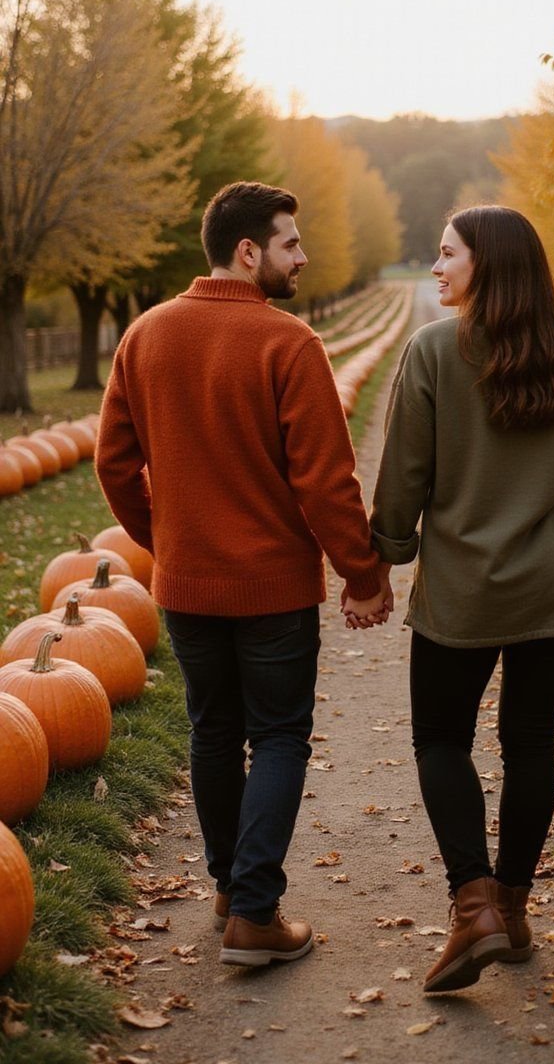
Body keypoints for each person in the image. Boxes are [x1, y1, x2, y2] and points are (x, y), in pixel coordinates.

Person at [96, 180, 390, 970]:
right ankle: (255, 914)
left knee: (214, 732)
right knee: (281, 735)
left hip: (187, 586)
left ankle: (230, 888)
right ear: (249, 250)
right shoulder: (287, 344)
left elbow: (114, 464)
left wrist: (168, 539)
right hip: (271, 591)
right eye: (291, 243)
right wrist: (363, 575)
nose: (304, 258)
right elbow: (326, 485)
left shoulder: (146, 334)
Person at [369, 205, 554, 993]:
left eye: (448, 254)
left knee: (441, 740)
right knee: (529, 740)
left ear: (488, 264)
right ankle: (514, 907)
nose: (436, 268)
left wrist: (385, 558)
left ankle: (473, 905)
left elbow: (405, 476)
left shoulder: (432, 352)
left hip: (463, 587)